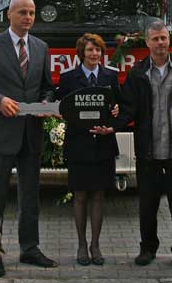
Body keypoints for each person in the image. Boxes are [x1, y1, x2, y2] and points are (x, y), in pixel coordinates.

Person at [0, 0, 57, 278]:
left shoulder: (41, 48)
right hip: (2, 134)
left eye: (31, 13)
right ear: (9, 15)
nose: (28, 17)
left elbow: (47, 87)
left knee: (30, 198)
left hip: (31, 135)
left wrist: (46, 103)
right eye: (22, 12)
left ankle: (30, 248)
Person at [115, 19, 172, 270]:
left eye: (164, 38)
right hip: (148, 149)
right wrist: (112, 123)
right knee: (147, 204)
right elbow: (128, 108)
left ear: (168, 40)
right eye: (155, 39)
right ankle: (147, 248)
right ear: (147, 42)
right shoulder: (138, 73)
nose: (160, 43)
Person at [57, 33, 120, 267]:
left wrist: (116, 112)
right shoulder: (68, 78)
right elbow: (61, 106)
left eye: (98, 50)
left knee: (98, 195)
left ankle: (96, 245)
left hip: (103, 146)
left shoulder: (111, 76)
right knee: (81, 195)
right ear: (81, 53)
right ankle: (81, 245)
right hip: (78, 146)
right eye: (90, 50)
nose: (94, 54)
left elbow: (119, 106)